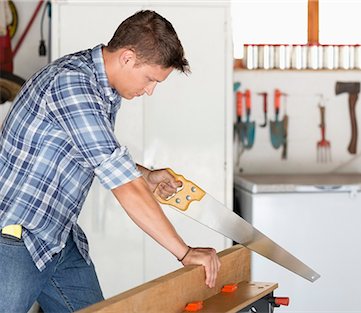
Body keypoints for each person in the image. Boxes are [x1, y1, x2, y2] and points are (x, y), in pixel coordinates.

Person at [0, 10, 220, 312]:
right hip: (17, 239)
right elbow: (124, 186)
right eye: (150, 79)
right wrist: (184, 252)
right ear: (128, 58)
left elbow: (95, 153)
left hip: (58, 237)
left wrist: (146, 175)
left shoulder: (101, 87)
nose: (150, 90)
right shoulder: (73, 85)